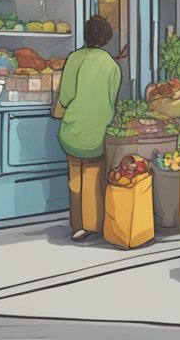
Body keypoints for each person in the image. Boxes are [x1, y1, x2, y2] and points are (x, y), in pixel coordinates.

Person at [57, 16, 122, 243]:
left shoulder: (74, 58)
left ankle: (77, 225)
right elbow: (111, 101)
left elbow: (65, 97)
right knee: (94, 177)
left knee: (76, 177)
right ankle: (93, 224)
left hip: (72, 131)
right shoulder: (112, 66)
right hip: (98, 132)